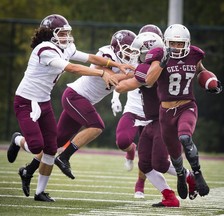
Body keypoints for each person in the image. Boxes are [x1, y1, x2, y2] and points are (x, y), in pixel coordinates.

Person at [6, 14, 133, 201]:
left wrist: (116, 65)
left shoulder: (65, 48)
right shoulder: (45, 49)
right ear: (50, 34)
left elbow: (88, 57)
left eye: (67, 33)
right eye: (62, 33)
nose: (66, 37)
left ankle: (40, 191)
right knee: (36, 146)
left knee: (51, 148)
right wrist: (101, 73)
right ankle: (17, 140)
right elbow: (72, 68)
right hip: (25, 101)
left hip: (44, 100)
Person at [115, 35, 196, 207]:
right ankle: (169, 196)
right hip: (151, 121)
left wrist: (117, 80)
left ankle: (189, 175)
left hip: (163, 120)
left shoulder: (152, 68)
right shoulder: (155, 66)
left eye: (139, 52)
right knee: (144, 163)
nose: (136, 55)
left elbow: (125, 85)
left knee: (160, 163)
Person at [144, 24, 223, 199]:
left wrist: (212, 82)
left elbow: (201, 71)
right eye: (173, 43)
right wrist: (163, 63)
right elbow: (149, 81)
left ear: (186, 44)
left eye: (180, 44)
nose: (176, 47)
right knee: (174, 154)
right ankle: (181, 175)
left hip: (187, 106)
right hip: (165, 112)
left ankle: (198, 173)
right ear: (166, 42)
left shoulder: (195, 54)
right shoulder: (159, 55)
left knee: (185, 137)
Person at [54, 29, 140, 180]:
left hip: (83, 100)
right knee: (97, 126)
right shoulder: (107, 54)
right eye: (127, 50)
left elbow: (125, 83)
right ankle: (64, 157)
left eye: (133, 51)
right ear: (116, 47)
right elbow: (111, 77)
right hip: (75, 96)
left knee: (56, 141)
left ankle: (27, 161)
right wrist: (133, 74)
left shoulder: (130, 62)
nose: (130, 54)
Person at [110, 24, 163, 199]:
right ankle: (130, 150)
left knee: (148, 156)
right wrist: (115, 98)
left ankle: (140, 185)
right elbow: (119, 79)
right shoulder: (132, 58)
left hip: (153, 114)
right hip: (133, 109)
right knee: (122, 140)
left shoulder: (164, 63)